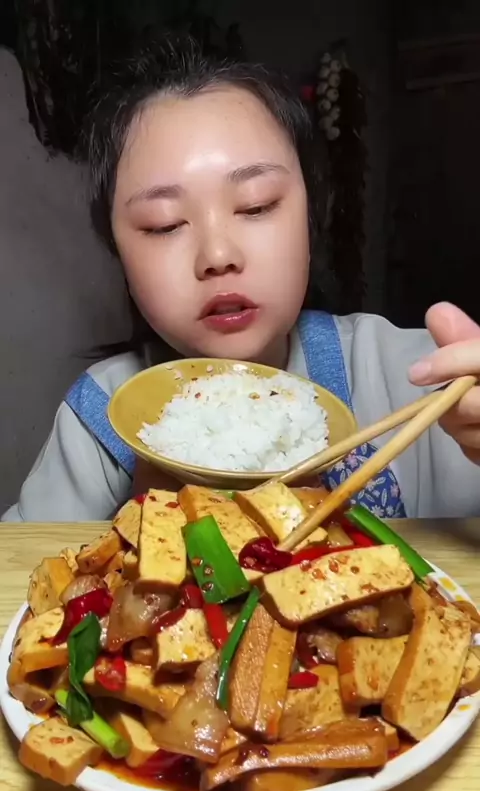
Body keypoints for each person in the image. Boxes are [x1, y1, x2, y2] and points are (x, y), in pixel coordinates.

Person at [3, 35, 480, 523]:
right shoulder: (99, 416)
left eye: (256, 206)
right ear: (117, 251)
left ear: (311, 213)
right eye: (164, 224)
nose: (218, 255)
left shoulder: (422, 375)